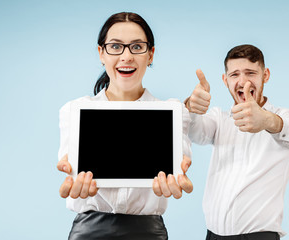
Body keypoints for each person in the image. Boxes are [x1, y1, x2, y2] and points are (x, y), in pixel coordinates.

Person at [56, 12, 193, 240]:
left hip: (148, 233)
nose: (126, 56)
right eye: (116, 47)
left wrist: (177, 178)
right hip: (89, 232)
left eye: (137, 47)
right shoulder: (74, 110)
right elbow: (69, 166)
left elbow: (178, 168)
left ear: (150, 54)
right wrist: (71, 177)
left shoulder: (174, 112)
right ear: (101, 53)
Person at [185, 44, 289, 240]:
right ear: (225, 80)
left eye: (250, 73)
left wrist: (267, 120)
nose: (243, 82)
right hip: (213, 235)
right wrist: (191, 107)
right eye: (235, 75)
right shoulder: (220, 118)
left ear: (265, 75)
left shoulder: (284, 117)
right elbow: (194, 131)